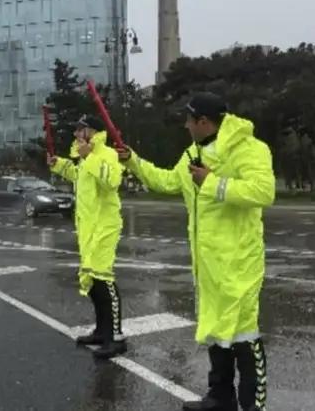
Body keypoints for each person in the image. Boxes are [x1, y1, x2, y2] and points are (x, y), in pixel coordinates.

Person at [117, 92, 274, 411]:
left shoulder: (249, 149)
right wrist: (132, 159)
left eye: (189, 120)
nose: (185, 126)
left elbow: (263, 191)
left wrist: (213, 182)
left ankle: (253, 406)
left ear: (204, 122)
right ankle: (220, 397)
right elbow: (166, 182)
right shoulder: (193, 153)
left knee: (244, 335)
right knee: (215, 331)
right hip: (207, 265)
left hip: (239, 264)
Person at [48, 115, 127, 359]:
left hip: (104, 226)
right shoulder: (85, 159)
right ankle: (102, 331)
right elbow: (78, 174)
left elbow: (112, 181)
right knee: (93, 282)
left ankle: (116, 336)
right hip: (88, 228)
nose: (75, 135)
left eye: (80, 130)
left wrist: (89, 156)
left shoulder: (106, 154)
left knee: (104, 280)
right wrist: (59, 164)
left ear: (91, 132)